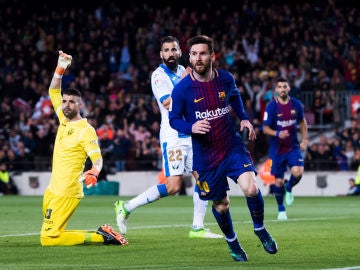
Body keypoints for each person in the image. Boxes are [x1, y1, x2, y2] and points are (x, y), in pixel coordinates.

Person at [169, 35, 277, 262]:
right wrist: (191, 126)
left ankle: (260, 229)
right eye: (194, 54)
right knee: (221, 204)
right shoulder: (182, 89)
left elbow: (235, 97)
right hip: (206, 156)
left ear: (212, 56)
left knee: (251, 188)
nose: (198, 58)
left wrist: (245, 119)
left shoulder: (226, 79)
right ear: (190, 57)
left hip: (231, 146)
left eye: (203, 53)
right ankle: (232, 242)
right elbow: (174, 119)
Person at [114, 36, 222, 239]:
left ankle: (197, 227)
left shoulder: (183, 71)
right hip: (173, 136)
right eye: (166, 50)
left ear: (180, 52)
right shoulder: (158, 76)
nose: (171, 54)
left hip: (191, 133)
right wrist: (187, 82)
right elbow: (168, 103)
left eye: (174, 50)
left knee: (203, 179)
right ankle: (126, 207)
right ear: (161, 54)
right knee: (173, 187)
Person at [40, 51, 127, 246]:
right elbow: (53, 91)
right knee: (54, 233)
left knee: (48, 239)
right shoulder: (63, 118)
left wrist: (95, 171)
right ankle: (102, 233)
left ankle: (100, 236)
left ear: (79, 104)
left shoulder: (86, 130)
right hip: (52, 190)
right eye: (64, 101)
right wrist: (60, 67)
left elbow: (97, 157)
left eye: (71, 102)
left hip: (68, 191)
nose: (66, 105)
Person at [263, 77, 308, 220]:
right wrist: (277, 133)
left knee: (298, 172)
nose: (282, 89)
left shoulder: (296, 105)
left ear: (289, 88)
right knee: (278, 181)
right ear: (276, 90)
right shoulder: (271, 107)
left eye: (285, 86)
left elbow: (302, 122)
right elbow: (265, 128)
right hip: (277, 149)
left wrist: (304, 140)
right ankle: (281, 210)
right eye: (280, 87)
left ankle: (289, 188)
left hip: (293, 146)